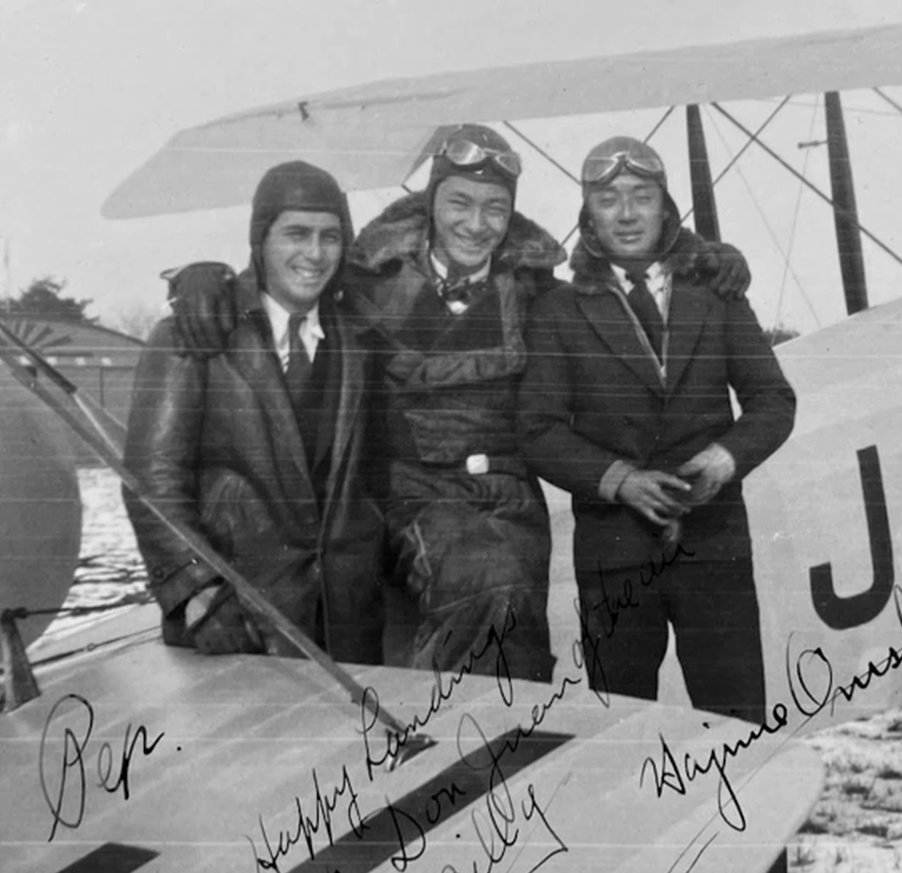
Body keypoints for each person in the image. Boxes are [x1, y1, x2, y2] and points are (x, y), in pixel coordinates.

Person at [163, 126, 754, 686]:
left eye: (495, 209)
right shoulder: (369, 279)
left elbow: (615, 276)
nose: (476, 225)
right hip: (410, 493)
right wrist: (208, 280)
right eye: (459, 204)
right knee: (487, 587)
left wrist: (703, 254)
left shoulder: (534, 289)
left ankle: (502, 746)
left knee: (513, 607)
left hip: (506, 497)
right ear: (430, 204)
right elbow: (290, 273)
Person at [518, 136, 796, 727]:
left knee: (737, 723)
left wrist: (723, 461)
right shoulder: (559, 311)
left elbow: (773, 400)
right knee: (622, 732)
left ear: (665, 206)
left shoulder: (714, 293)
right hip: (614, 554)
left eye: (641, 196)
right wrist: (620, 481)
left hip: (713, 544)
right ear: (587, 213)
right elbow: (538, 429)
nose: (625, 214)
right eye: (608, 198)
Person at [123, 160, 387, 664]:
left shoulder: (359, 339)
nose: (314, 253)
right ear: (259, 240)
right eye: (296, 234)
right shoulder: (190, 333)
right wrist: (199, 593)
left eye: (331, 237)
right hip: (234, 621)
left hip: (349, 624)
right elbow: (151, 481)